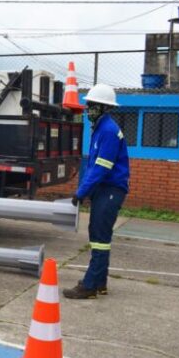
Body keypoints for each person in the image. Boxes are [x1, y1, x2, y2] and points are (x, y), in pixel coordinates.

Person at [63, 84, 130, 300]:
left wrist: (81, 192)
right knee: (98, 234)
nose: (88, 109)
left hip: (110, 189)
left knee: (100, 237)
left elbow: (102, 167)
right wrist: (88, 190)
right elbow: (94, 166)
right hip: (104, 189)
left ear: (103, 108)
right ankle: (99, 282)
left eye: (92, 105)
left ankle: (90, 285)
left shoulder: (108, 131)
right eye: (88, 104)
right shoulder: (101, 128)